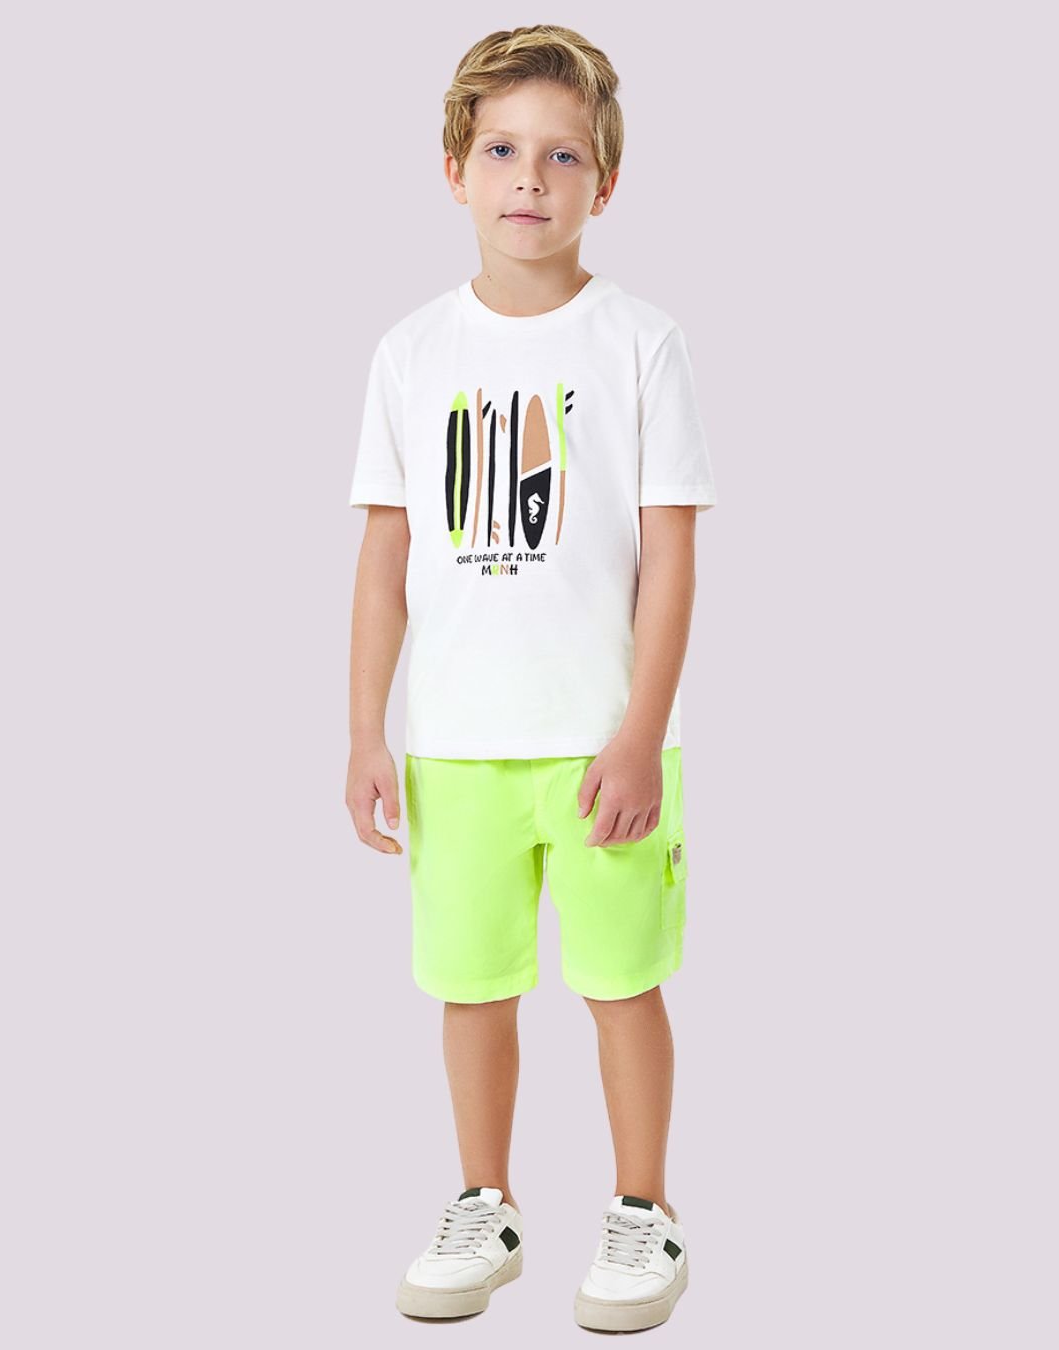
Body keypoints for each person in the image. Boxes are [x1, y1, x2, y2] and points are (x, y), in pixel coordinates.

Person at [346, 24, 717, 1333]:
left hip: (604, 742)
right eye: (502, 150)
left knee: (621, 981)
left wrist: (640, 732)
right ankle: (485, 1202)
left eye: (563, 156)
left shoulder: (642, 344)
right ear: (454, 168)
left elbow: (670, 560)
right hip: (456, 745)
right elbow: (384, 560)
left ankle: (643, 1209)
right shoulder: (410, 354)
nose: (530, 179)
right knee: (473, 984)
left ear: (604, 183)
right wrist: (367, 731)